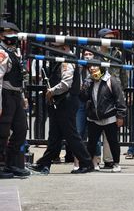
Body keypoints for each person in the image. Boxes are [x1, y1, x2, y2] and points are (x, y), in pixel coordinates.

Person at [30, 41, 94, 174]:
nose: (52, 49)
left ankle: (87, 162)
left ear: (64, 47)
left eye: (54, 47)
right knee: (54, 135)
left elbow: (66, 83)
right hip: (61, 102)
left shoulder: (67, 60)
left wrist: (51, 91)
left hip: (66, 101)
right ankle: (44, 163)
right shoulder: (63, 59)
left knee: (70, 134)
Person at [80, 64, 126, 172]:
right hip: (94, 118)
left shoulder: (111, 80)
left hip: (109, 117)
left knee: (113, 141)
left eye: (95, 66)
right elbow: (83, 97)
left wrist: (120, 115)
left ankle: (116, 163)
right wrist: (84, 86)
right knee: (91, 143)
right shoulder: (90, 81)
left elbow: (119, 98)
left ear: (101, 68)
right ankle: (89, 164)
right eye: (90, 67)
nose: (92, 68)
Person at [0, 21, 30, 178]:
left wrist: (23, 96)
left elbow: (21, 77)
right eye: (8, 33)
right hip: (5, 95)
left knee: (21, 129)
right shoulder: (1, 52)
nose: (11, 36)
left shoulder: (14, 52)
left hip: (16, 95)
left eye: (13, 33)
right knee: (2, 132)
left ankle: (12, 165)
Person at [97, 28, 127, 169]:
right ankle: (95, 158)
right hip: (98, 91)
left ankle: (109, 159)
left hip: (114, 92)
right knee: (95, 126)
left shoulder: (118, 53)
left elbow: (123, 73)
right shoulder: (94, 52)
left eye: (112, 37)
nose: (111, 40)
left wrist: (124, 92)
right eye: (108, 37)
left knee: (112, 128)